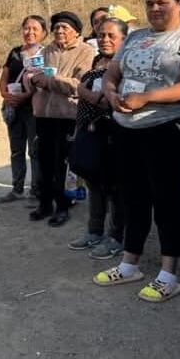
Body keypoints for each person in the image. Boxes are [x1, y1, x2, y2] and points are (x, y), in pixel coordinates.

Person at [94, 0, 180, 303]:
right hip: (126, 127)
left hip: (167, 127)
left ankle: (168, 273)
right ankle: (130, 263)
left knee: (165, 199)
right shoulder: (135, 37)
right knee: (132, 197)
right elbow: (112, 73)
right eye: (150, 3)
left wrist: (147, 98)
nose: (155, 8)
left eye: (162, 2)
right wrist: (110, 92)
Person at [67, 18, 129, 259]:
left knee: (114, 188)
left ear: (124, 40)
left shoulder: (124, 65)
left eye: (111, 36)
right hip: (88, 131)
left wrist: (81, 91)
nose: (105, 40)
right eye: (101, 35)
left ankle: (116, 237)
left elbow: (107, 100)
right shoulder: (96, 61)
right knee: (94, 184)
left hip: (111, 135)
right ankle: (94, 231)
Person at [27, 12, 95, 227]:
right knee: (44, 160)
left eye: (65, 27)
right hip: (44, 115)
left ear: (76, 31)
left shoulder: (86, 52)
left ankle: (63, 206)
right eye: (56, 27)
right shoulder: (45, 51)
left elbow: (79, 84)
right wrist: (36, 80)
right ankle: (45, 203)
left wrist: (50, 80)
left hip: (68, 115)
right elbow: (34, 77)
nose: (60, 31)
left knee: (64, 164)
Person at [0, 15, 47, 203]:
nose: (30, 32)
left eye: (35, 29)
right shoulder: (15, 52)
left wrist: (25, 95)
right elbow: (5, 75)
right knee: (16, 150)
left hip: (34, 108)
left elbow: (43, 80)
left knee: (34, 151)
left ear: (44, 33)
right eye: (27, 28)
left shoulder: (45, 54)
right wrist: (4, 93)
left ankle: (35, 191)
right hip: (13, 107)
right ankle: (17, 189)